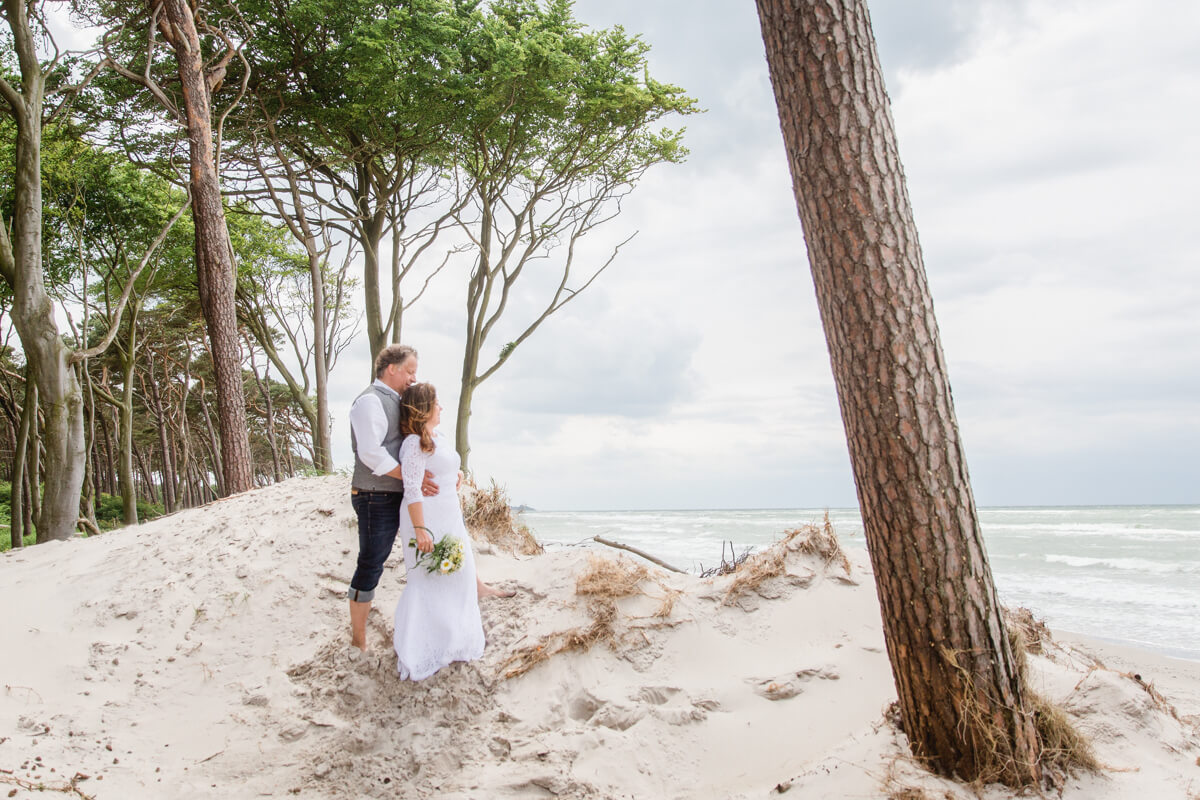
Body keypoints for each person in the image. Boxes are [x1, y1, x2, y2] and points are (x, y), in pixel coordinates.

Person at [393, 382, 485, 679]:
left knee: (460, 575)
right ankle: (422, 648)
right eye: (437, 403)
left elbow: (446, 463)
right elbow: (412, 490)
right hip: (426, 517)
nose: (442, 407)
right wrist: (420, 530)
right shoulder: (412, 444)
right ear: (424, 409)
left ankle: (454, 642)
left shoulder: (439, 436)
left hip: (449, 514)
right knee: (429, 580)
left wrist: (456, 473)